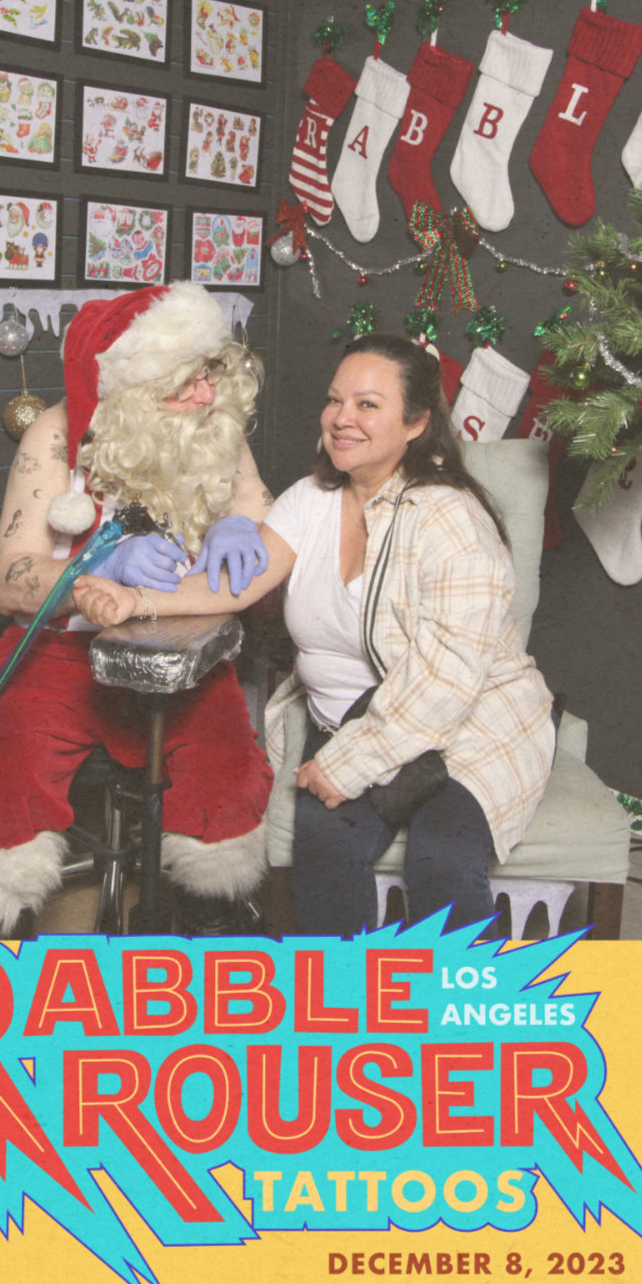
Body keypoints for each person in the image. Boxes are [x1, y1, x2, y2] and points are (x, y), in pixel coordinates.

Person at [75, 332, 556, 936]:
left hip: (467, 726)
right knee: (325, 856)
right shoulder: (310, 500)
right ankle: (338, 992)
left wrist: (350, 764)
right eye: (335, 400)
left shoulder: (451, 520)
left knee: (442, 857)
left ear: (415, 424)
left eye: (367, 405)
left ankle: (465, 996)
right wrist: (136, 599)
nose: (341, 419)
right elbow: (235, 587)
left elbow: (448, 680)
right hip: (343, 720)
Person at [0, 281, 275, 938]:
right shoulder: (55, 437)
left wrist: (240, 524)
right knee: (2, 785)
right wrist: (93, 566)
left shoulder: (211, 419)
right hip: (62, 650)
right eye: (186, 383)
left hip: (181, 643)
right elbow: (7, 580)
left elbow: (256, 504)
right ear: (132, 393)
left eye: (209, 373)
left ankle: (208, 928)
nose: (207, 394)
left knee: (227, 777)